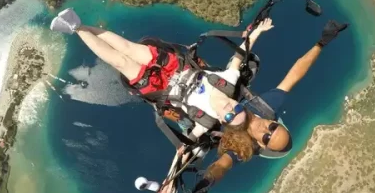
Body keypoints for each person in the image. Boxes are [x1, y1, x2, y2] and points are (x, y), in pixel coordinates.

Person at [160, 19, 348, 193]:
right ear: (275, 122)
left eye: (267, 137)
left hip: (204, 120)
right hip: (221, 98)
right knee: (233, 72)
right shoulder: (266, 109)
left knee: (191, 145)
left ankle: (170, 107)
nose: (266, 130)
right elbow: (295, 74)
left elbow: (222, 165)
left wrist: (207, 182)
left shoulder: (244, 147)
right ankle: (199, 72)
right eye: (273, 128)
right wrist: (322, 42)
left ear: (261, 145)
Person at [50, 8, 273, 138]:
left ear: (222, 121)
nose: (229, 109)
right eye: (237, 109)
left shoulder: (206, 122)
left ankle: (75, 28)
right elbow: (239, 56)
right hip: (178, 66)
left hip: (161, 88)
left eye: (228, 117)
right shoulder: (227, 84)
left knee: (119, 61)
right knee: (127, 48)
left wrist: (170, 180)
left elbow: (187, 149)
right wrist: (258, 33)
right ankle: (81, 25)